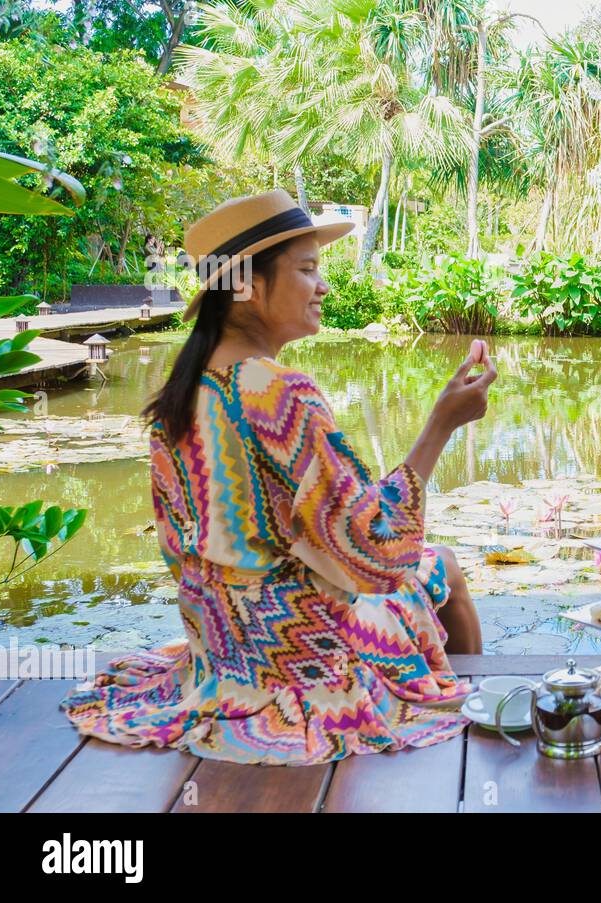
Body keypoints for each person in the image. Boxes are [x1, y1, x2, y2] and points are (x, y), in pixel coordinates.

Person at [60, 190, 497, 764]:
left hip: (220, 655)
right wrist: (441, 423)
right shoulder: (279, 394)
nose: (322, 286)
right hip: (301, 664)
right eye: (307, 269)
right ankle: (476, 709)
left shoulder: (179, 394)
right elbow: (373, 547)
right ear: (248, 286)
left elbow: (184, 552)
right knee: (442, 566)